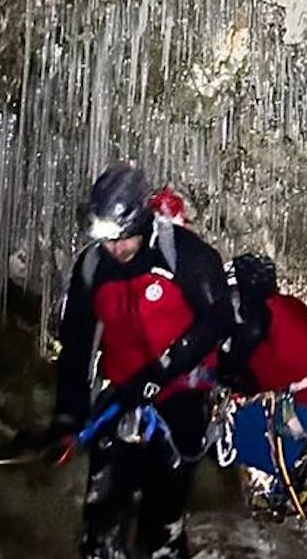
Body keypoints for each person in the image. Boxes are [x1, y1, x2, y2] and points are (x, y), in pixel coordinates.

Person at [45, 162, 234, 559]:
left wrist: (164, 368)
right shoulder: (93, 267)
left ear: (143, 221)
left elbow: (216, 318)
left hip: (181, 383)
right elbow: (78, 344)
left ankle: (162, 543)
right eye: (107, 240)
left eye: (124, 238)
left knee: (161, 508)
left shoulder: (185, 255)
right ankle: (102, 547)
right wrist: (68, 415)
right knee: (102, 505)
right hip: (122, 386)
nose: (116, 249)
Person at [216, 252, 307, 515]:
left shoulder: (258, 316)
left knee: (234, 434)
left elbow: (239, 364)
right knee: (262, 425)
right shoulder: (289, 306)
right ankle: (287, 489)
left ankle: (301, 458)